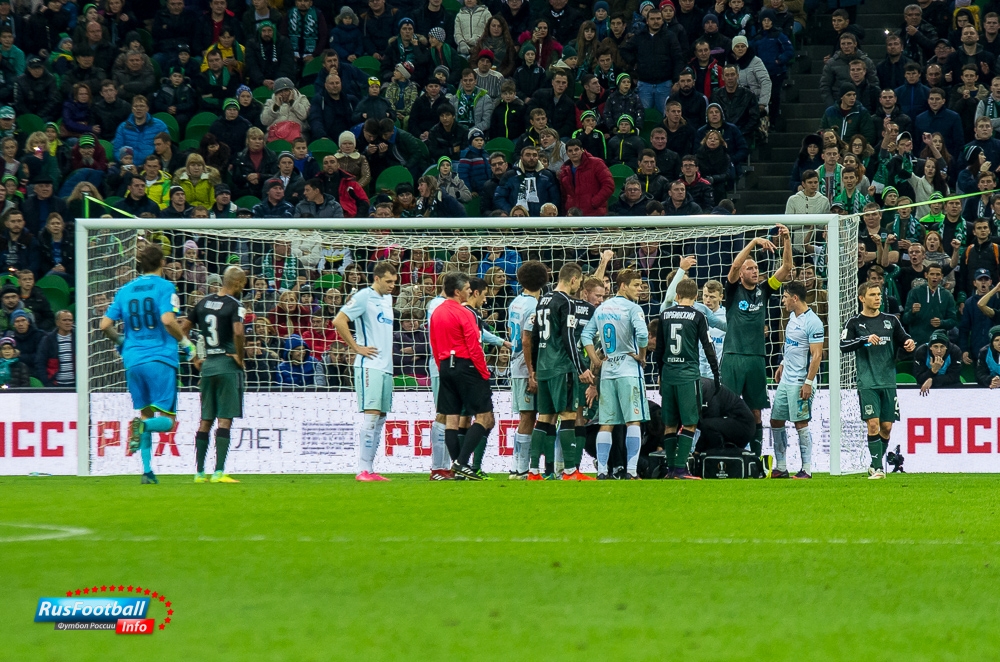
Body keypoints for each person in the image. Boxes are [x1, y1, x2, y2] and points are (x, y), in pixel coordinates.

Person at [99, 244, 198, 485]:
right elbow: (167, 320)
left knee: (145, 414)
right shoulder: (165, 287)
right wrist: (186, 343)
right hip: (160, 359)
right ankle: (141, 429)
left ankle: (147, 471)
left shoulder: (125, 290)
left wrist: (120, 341)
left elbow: (104, 325)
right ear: (162, 263)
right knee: (167, 421)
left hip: (133, 361)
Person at [722, 223, 792, 458]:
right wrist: (753, 242)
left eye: (756, 268)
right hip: (733, 356)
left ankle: (756, 457)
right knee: (729, 409)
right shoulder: (733, 290)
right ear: (742, 274)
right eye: (749, 268)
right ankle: (729, 453)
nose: (754, 271)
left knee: (756, 412)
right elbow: (734, 266)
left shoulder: (764, 290)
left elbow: (787, 268)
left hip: (756, 358)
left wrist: (786, 240)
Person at [841, 281, 916, 480]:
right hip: (867, 382)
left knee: (887, 427)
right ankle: (878, 468)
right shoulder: (854, 323)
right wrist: (864, 340)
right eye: (873, 295)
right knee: (873, 424)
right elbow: (843, 345)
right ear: (862, 298)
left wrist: (909, 343)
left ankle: (874, 465)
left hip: (888, 381)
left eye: (879, 295)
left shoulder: (891, 321)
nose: (877, 298)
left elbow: (905, 339)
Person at [332, 260, 398, 482]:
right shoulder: (363, 296)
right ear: (376, 279)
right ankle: (362, 469)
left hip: (386, 367)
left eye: (394, 281)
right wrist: (356, 347)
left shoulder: (387, 299)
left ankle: (370, 469)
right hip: (369, 365)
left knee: (380, 418)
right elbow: (339, 320)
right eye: (388, 281)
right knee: (371, 416)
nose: (392, 285)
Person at [580, 268, 647, 479]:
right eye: (636, 285)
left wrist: (596, 360)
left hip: (608, 371)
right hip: (628, 370)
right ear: (623, 286)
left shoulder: (602, 308)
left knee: (606, 423)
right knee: (633, 421)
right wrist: (641, 355)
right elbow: (643, 335)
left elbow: (586, 335)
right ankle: (631, 471)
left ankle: (601, 471)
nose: (640, 289)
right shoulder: (633, 308)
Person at [429, 271, 496, 480]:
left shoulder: (437, 312)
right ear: (458, 292)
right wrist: (483, 373)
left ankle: (459, 469)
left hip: (445, 366)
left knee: (452, 419)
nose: (470, 291)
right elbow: (473, 345)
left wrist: (442, 367)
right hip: (466, 366)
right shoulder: (464, 313)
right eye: (467, 289)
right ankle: (461, 462)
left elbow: (434, 343)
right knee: (485, 417)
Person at [650, 277, 720, 479]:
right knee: (690, 423)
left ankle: (671, 469)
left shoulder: (664, 315)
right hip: (688, 375)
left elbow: (659, 349)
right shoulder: (698, 316)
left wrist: (660, 374)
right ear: (696, 296)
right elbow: (708, 346)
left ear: (677, 296)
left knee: (670, 424)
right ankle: (681, 468)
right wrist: (716, 373)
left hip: (668, 375)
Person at [183, 265, 247, 484]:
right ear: (237, 283)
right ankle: (219, 472)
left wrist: (194, 357)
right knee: (225, 420)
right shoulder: (235, 304)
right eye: (243, 282)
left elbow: (183, 329)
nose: (244, 287)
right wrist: (240, 356)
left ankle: (199, 473)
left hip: (208, 365)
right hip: (227, 365)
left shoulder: (203, 303)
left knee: (205, 420)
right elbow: (238, 331)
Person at [768, 280, 824, 479]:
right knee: (776, 420)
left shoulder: (813, 322)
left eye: (785, 297)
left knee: (800, 423)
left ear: (795, 298)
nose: (783, 300)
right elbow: (792, 345)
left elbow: (817, 355)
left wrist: (808, 382)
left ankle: (806, 469)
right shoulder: (792, 316)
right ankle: (781, 467)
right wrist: (782, 363)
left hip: (800, 380)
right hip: (786, 379)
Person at [505, 260, 549, 479]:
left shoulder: (515, 302)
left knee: (527, 416)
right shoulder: (534, 306)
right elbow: (526, 340)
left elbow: (511, 333)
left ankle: (518, 466)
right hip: (525, 368)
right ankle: (521, 468)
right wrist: (532, 372)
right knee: (528, 417)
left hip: (516, 364)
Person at [902, 263, 957, 346]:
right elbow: (905, 319)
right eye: (932, 274)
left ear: (942, 276)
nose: (935, 277)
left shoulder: (947, 295)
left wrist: (941, 323)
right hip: (918, 341)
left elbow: (953, 320)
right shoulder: (915, 292)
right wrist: (912, 312)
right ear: (926, 275)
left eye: (937, 274)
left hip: (939, 342)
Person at [558, 138, 614, 216]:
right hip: (573, 215)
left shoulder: (596, 163)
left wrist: (594, 203)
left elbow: (609, 185)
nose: (574, 153)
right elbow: (564, 195)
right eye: (570, 151)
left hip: (594, 213)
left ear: (582, 150)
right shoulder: (564, 171)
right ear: (567, 153)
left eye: (576, 149)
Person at [913, 329, 962, 396]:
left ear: (946, 347)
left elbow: (954, 377)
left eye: (942, 346)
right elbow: (919, 378)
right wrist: (933, 370)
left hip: (951, 386)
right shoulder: (921, 352)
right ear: (930, 347)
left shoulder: (955, 351)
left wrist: (933, 380)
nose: (939, 351)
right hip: (926, 387)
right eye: (935, 346)